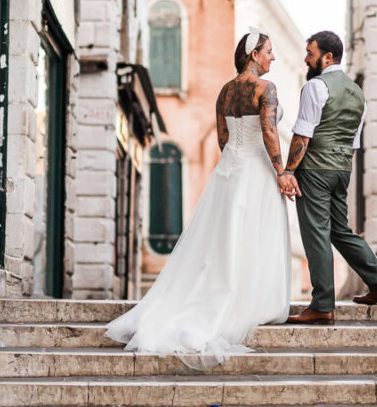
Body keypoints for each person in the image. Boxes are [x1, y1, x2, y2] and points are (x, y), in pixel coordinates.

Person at [105, 29, 292, 365]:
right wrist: (281, 172)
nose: (272, 57)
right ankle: (249, 302)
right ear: (254, 54)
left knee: (220, 239)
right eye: (268, 51)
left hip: (228, 170)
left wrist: (235, 158)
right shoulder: (266, 89)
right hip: (256, 168)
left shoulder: (224, 91)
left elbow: (223, 137)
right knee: (253, 234)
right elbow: (268, 130)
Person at [284, 30, 377, 325]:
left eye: (310, 54)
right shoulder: (358, 93)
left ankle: (323, 304)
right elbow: (354, 142)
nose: (306, 59)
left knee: (316, 233)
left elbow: (303, 134)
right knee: (340, 230)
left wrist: (288, 170)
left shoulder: (316, 87)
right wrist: (339, 170)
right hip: (342, 169)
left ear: (328, 57)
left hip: (315, 169)